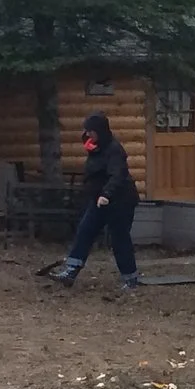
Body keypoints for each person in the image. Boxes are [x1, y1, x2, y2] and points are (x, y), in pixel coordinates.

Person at [53, 112, 140, 289]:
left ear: (101, 131)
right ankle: (71, 270)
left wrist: (106, 194)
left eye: (91, 131)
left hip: (119, 201)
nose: (88, 134)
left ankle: (130, 279)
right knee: (85, 231)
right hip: (99, 200)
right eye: (87, 131)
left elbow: (118, 175)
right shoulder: (95, 148)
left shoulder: (115, 150)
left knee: (119, 239)